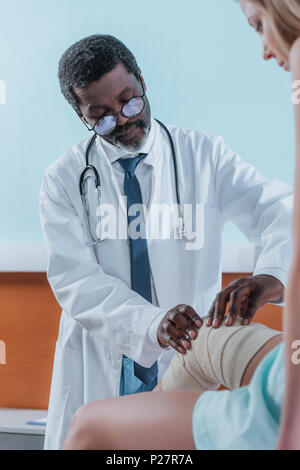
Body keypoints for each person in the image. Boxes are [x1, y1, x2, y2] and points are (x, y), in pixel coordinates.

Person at [61, 0, 300, 451]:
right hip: (105, 363)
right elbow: (76, 282)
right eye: (104, 115)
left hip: (186, 363)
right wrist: (152, 323)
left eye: (130, 99)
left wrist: (269, 277)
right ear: (83, 117)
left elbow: (279, 210)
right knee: (95, 432)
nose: (125, 117)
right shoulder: (62, 180)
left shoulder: (203, 155)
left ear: (143, 82)